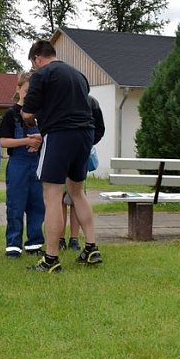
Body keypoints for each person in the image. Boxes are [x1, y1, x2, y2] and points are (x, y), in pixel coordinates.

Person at [21, 39, 103, 273]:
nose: (34, 67)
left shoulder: (42, 74)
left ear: (37, 58)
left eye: (33, 63)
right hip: (84, 135)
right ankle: (91, 248)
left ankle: (51, 258)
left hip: (59, 135)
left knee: (52, 195)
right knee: (76, 192)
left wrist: (31, 118)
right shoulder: (79, 75)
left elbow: (27, 112)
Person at [0, 72, 44, 258]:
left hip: (38, 164)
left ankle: (34, 244)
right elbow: (3, 142)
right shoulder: (11, 114)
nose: (29, 94)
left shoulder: (42, 113)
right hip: (18, 163)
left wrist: (39, 141)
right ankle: (13, 245)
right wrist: (27, 141)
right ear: (18, 89)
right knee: (15, 205)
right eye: (26, 90)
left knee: (37, 205)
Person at [60, 94, 105, 252]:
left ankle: (73, 238)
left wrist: (87, 143)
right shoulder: (63, 98)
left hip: (76, 154)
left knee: (75, 196)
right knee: (62, 198)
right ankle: (61, 238)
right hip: (64, 154)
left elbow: (100, 128)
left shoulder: (91, 101)